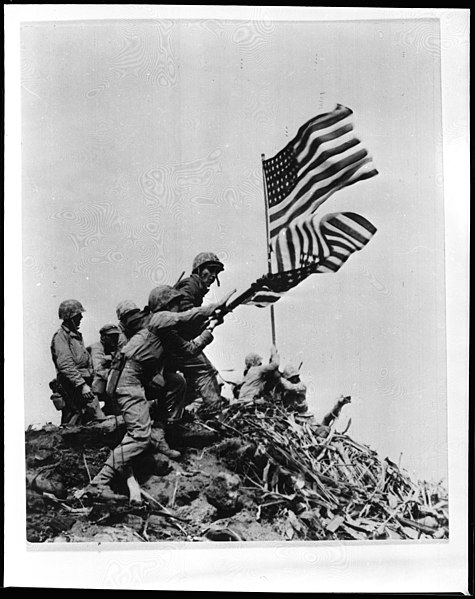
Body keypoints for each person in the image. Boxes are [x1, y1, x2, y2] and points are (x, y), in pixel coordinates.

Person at [84, 291, 220, 502]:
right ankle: (99, 484)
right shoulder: (158, 319)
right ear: (165, 306)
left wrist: (210, 329)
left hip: (140, 378)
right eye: (175, 304)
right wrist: (212, 308)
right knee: (139, 436)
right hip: (127, 380)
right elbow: (185, 317)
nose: (178, 309)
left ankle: (160, 432)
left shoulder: (165, 332)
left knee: (176, 381)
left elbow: (190, 350)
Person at [174, 252, 230, 412]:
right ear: (198, 270)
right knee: (206, 373)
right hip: (178, 345)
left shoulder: (195, 288)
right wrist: (211, 315)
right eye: (210, 270)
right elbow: (184, 315)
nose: (213, 276)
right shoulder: (190, 286)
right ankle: (216, 415)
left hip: (177, 343)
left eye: (216, 273)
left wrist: (212, 319)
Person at [50, 300, 105, 425]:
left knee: (90, 419)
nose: (81, 317)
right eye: (78, 315)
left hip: (81, 383)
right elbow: (65, 365)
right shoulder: (61, 337)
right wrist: (82, 385)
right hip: (71, 385)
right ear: (70, 317)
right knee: (74, 419)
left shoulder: (75, 336)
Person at [88, 323, 121, 416]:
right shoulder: (97, 347)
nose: (114, 339)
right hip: (90, 381)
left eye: (116, 336)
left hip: (106, 379)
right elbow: (98, 369)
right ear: (103, 337)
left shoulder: (115, 348)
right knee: (100, 380)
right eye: (111, 336)